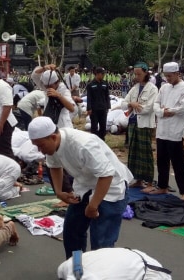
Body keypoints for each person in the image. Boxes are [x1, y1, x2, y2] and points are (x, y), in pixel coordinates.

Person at [28, 116, 133, 259]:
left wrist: (93, 206)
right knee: (72, 232)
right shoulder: (52, 146)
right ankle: (76, 268)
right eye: (37, 146)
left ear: (53, 137)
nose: (40, 151)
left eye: (41, 146)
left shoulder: (83, 144)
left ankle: (101, 274)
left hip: (111, 187)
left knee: (101, 242)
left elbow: (107, 175)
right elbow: (54, 166)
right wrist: (59, 192)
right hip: (85, 186)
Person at [143, 62, 184, 200]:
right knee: (161, 160)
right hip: (162, 130)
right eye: (166, 76)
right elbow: (156, 104)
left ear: (178, 73)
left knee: (178, 163)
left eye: (170, 76)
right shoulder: (164, 88)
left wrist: (167, 110)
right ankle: (163, 186)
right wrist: (162, 112)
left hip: (175, 130)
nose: (168, 79)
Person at [121, 62, 158, 189]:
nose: (137, 76)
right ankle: (137, 179)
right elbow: (123, 103)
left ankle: (149, 182)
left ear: (146, 73)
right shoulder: (135, 88)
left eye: (139, 74)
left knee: (145, 152)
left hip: (145, 124)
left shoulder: (152, 89)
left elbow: (148, 108)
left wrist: (135, 105)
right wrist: (132, 103)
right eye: (135, 74)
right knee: (133, 151)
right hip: (133, 123)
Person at [86, 67, 111, 140]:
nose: (103, 75)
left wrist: (108, 106)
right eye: (102, 74)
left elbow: (107, 96)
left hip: (103, 109)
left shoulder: (105, 84)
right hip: (94, 110)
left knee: (103, 125)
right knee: (94, 126)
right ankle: (94, 140)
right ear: (97, 74)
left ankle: (102, 139)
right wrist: (89, 108)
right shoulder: (90, 85)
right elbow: (89, 97)